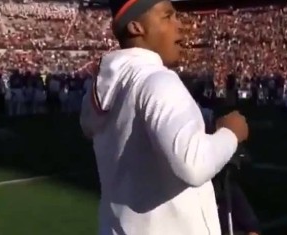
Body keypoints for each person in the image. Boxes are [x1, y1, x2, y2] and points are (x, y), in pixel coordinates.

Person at [79, 0, 249, 234]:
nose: (180, 25)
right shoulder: (157, 80)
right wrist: (231, 132)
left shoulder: (107, 85)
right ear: (136, 27)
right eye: (167, 16)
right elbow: (193, 164)